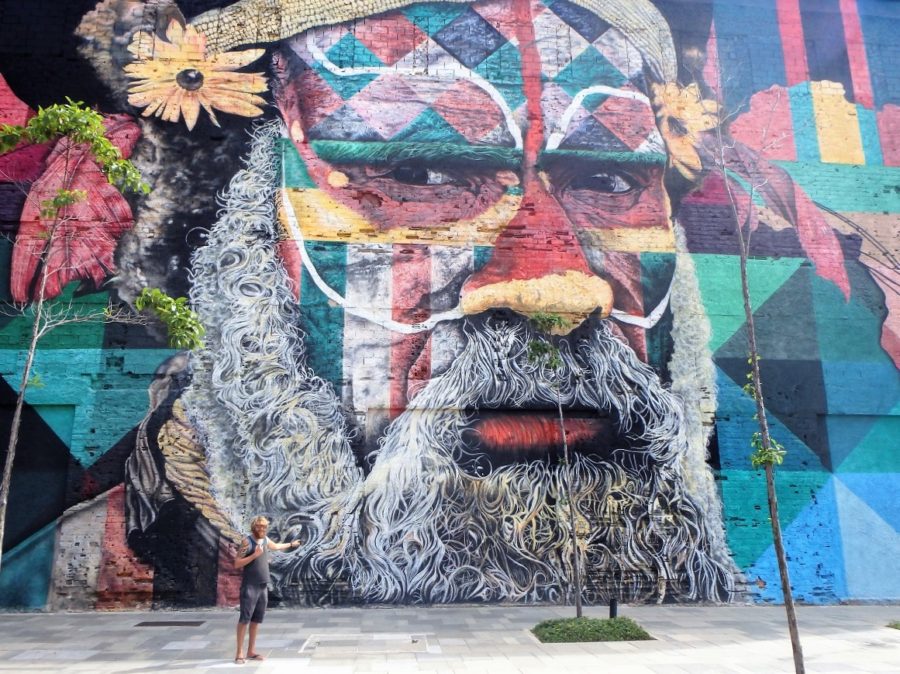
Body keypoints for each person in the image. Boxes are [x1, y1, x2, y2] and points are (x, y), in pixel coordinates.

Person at [73, 0, 873, 606]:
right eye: (420, 175)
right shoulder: (108, 550)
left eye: (609, 181)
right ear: (243, 229)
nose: (555, 290)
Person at [234, 515, 301, 664]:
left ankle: (251, 651)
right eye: (259, 526)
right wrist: (255, 556)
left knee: (256, 620)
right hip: (249, 587)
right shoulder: (247, 542)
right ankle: (239, 652)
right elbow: (237, 563)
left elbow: (276, 546)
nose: (262, 529)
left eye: (264, 526)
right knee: (244, 620)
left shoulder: (265, 540)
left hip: (263, 586)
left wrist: (291, 544)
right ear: (253, 527)